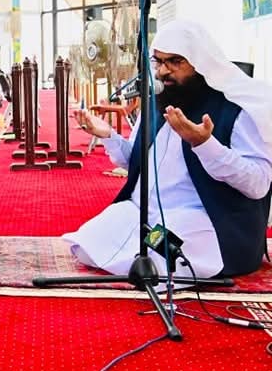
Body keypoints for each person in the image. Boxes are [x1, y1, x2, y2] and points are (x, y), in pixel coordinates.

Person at [65, 20, 272, 279]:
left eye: (175, 61)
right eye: (159, 61)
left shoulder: (234, 110)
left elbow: (258, 184)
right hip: (144, 215)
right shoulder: (158, 103)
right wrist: (108, 135)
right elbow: (137, 163)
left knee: (161, 257)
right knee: (88, 244)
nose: (163, 71)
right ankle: (142, 251)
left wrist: (205, 145)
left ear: (199, 63)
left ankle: (152, 257)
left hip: (202, 219)